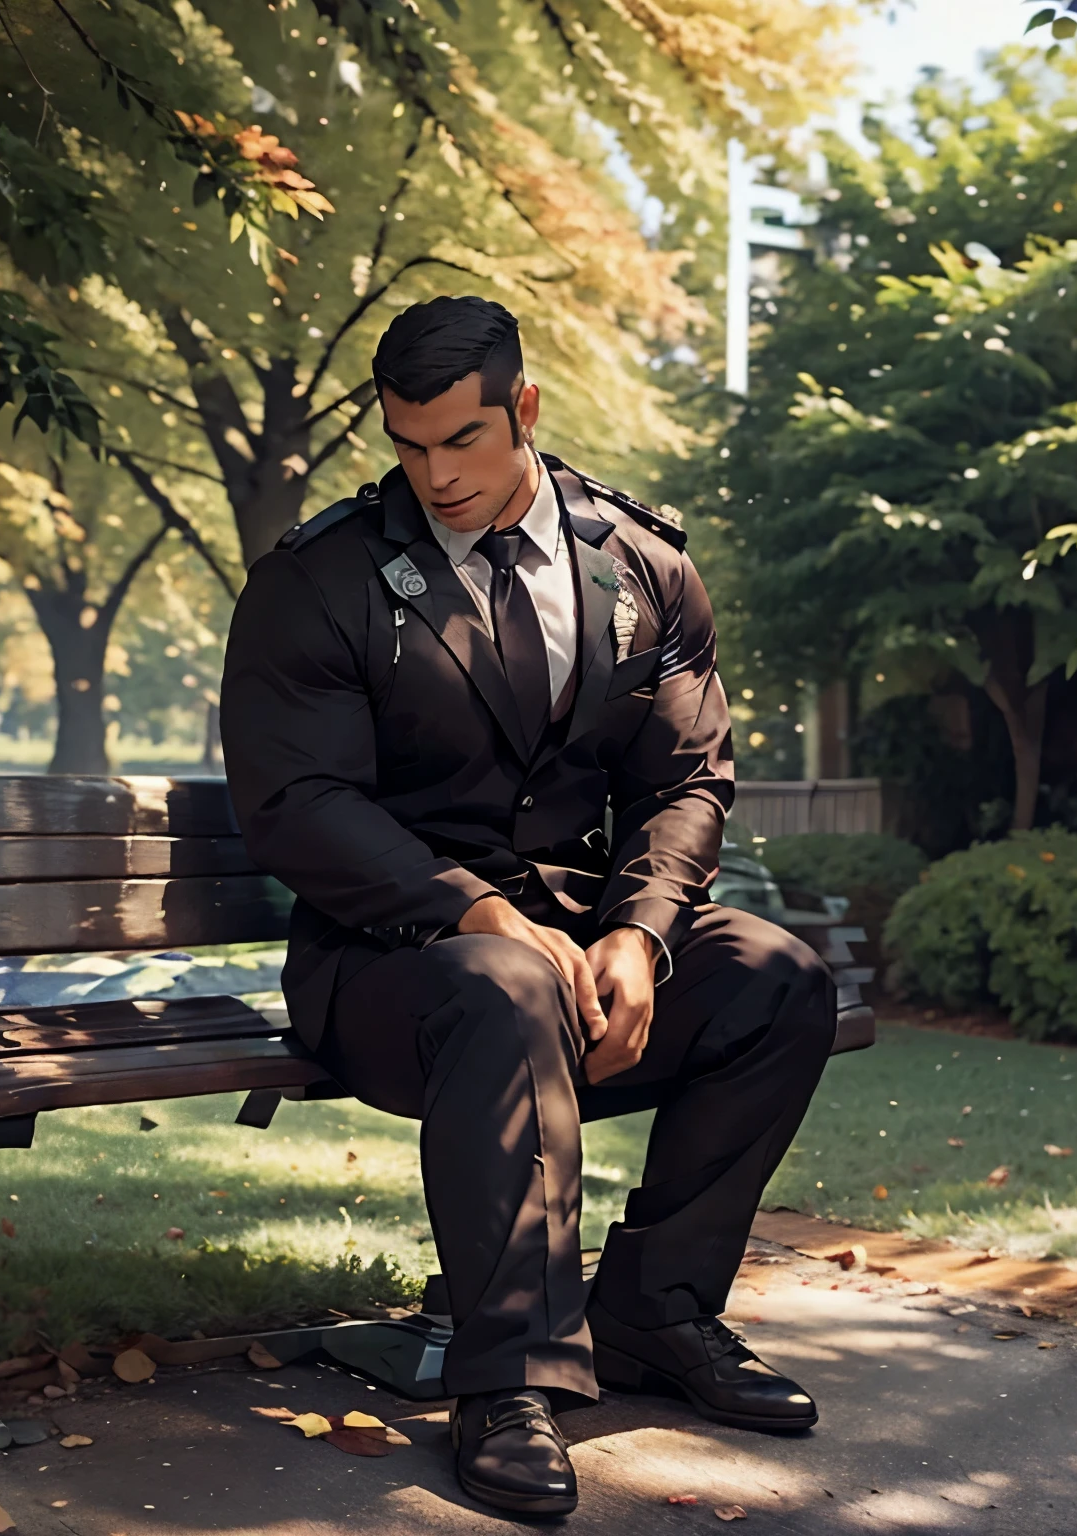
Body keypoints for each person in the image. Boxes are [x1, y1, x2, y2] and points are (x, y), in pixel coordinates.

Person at [220, 295, 836, 1518]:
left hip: (579, 941)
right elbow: (299, 803)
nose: (434, 473)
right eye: (408, 443)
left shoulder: (643, 565)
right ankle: (508, 1383)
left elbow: (687, 779)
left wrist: (642, 934)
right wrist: (469, 911)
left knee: (779, 977)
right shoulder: (322, 580)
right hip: (384, 964)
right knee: (507, 985)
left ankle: (658, 1314)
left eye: (462, 439)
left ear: (527, 411)